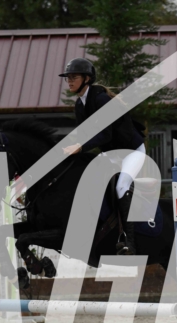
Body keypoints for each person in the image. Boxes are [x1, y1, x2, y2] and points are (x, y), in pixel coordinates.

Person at [59, 58, 145, 255]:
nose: (69, 81)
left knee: (121, 186)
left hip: (132, 152)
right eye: (68, 78)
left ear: (87, 79)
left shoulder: (101, 100)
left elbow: (105, 135)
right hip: (112, 154)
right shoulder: (80, 105)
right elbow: (83, 135)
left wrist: (80, 147)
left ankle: (130, 242)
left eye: (74, 77)